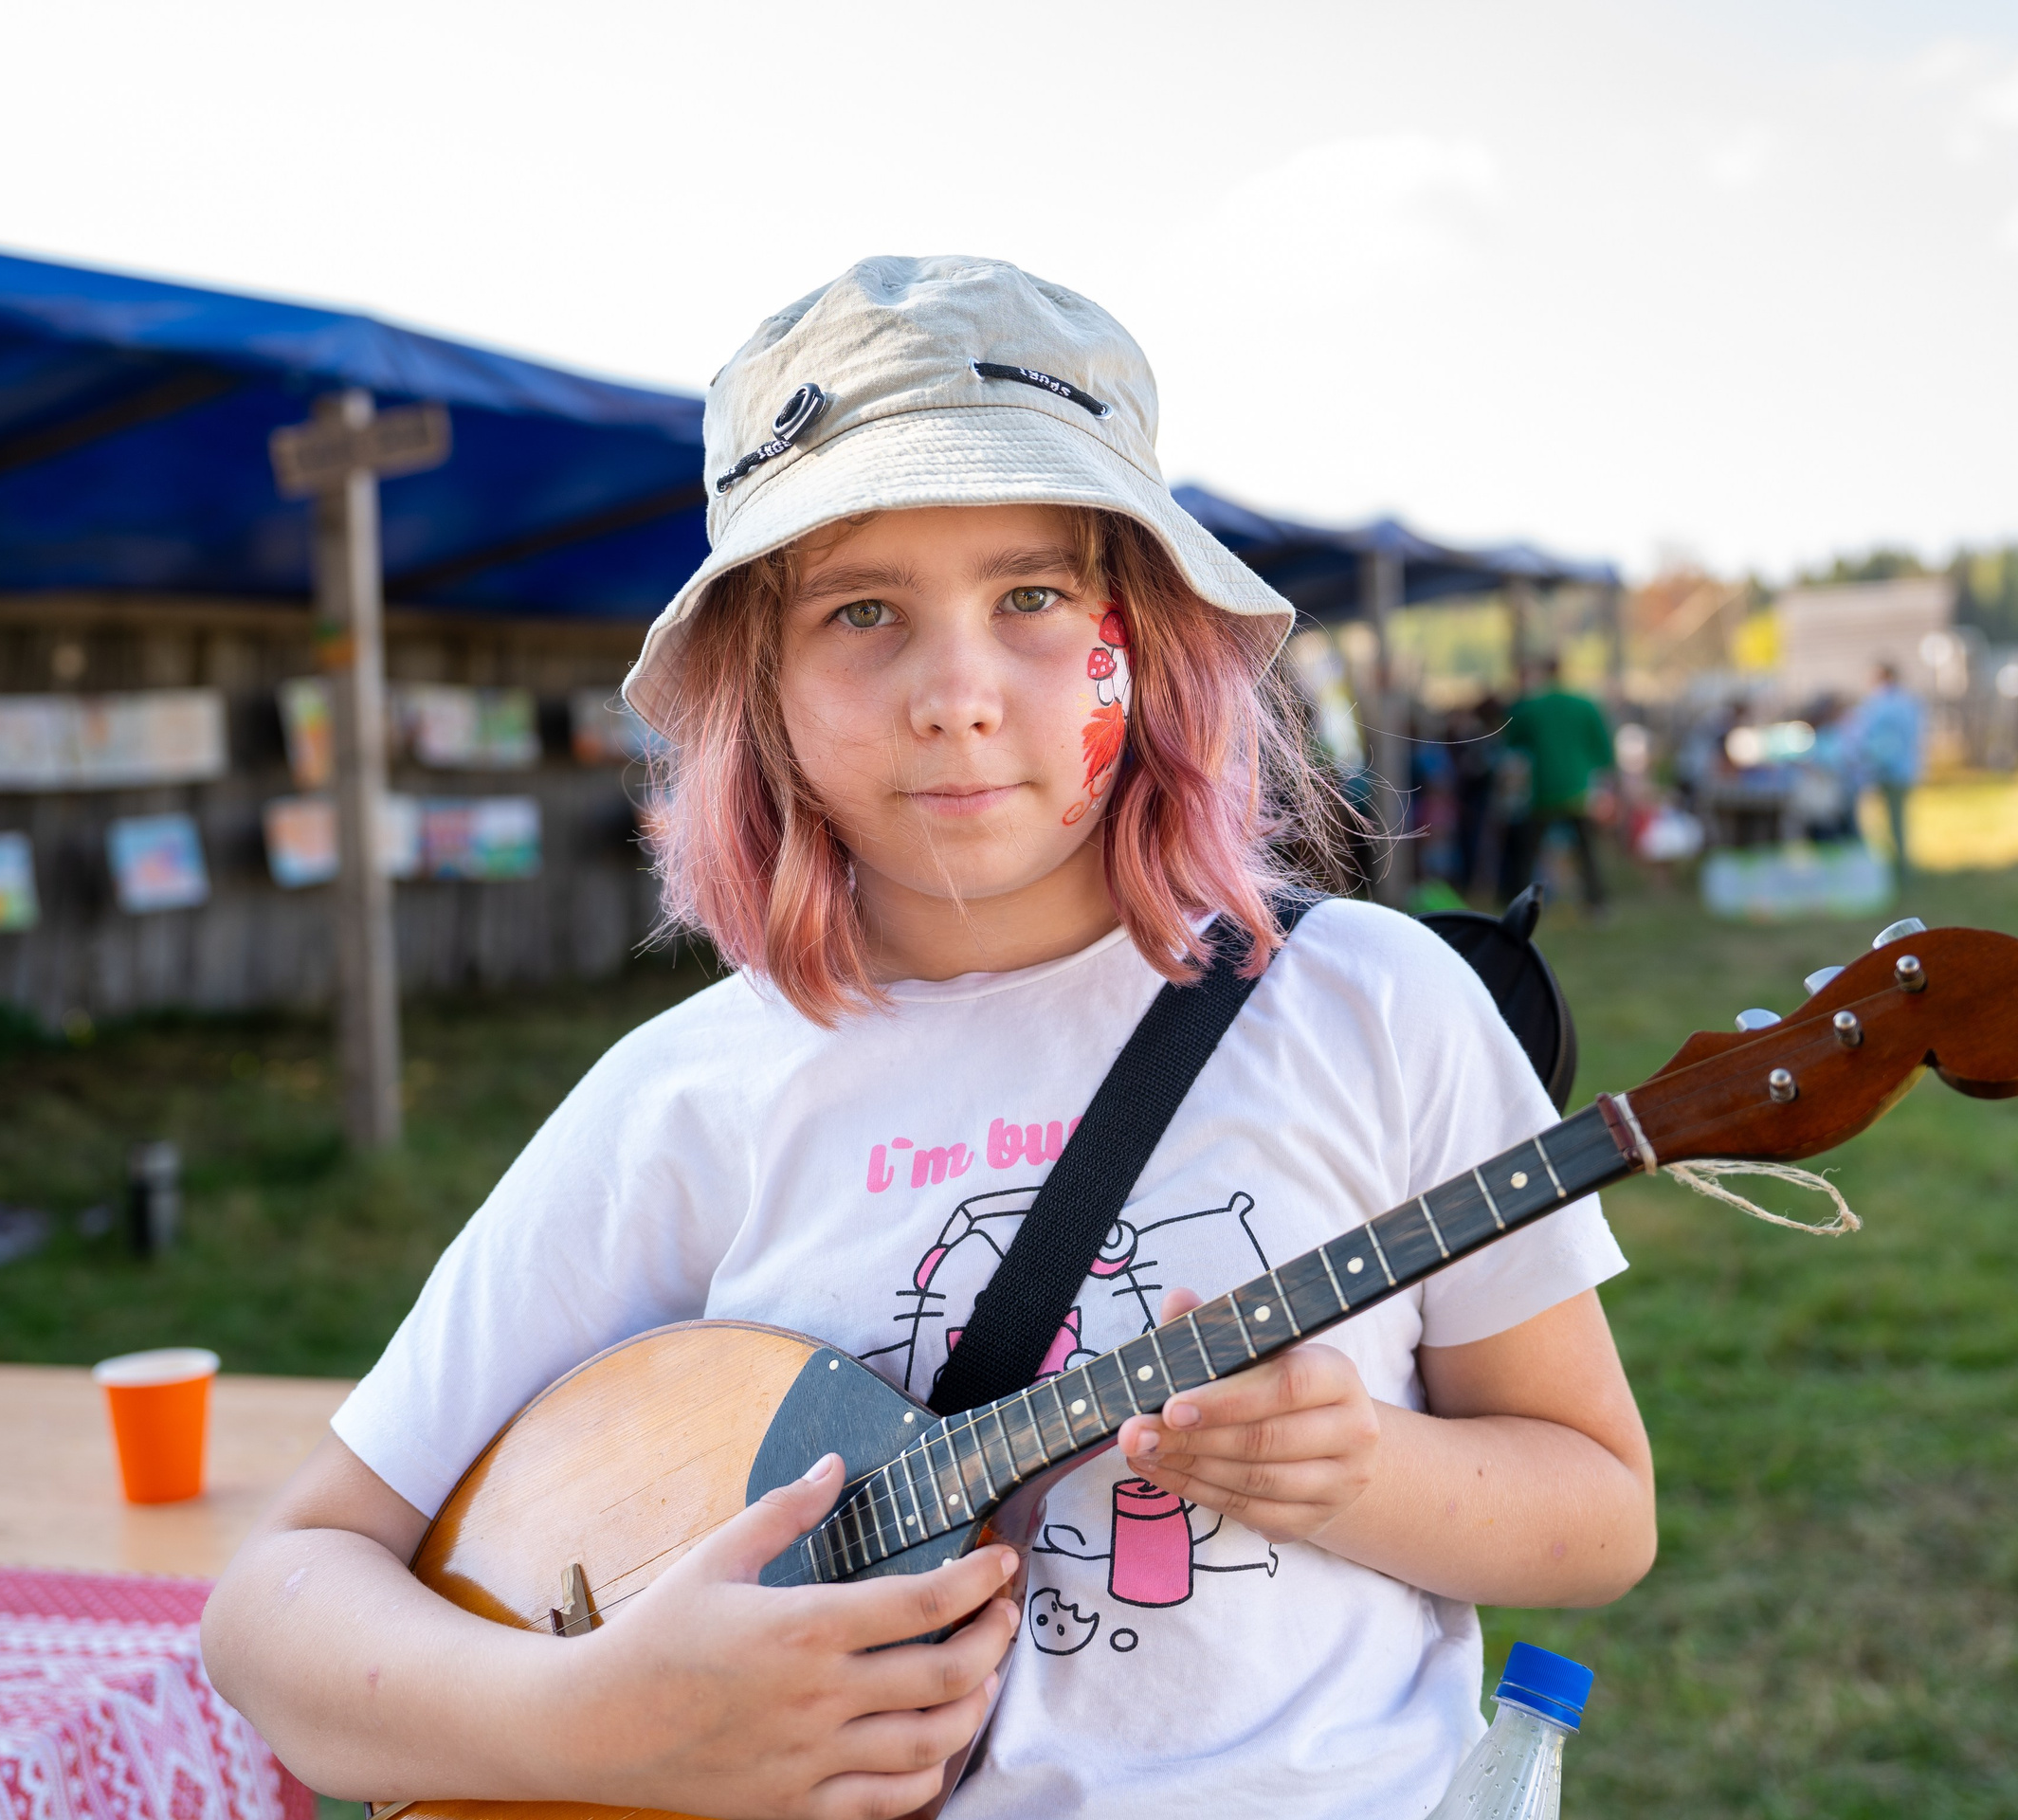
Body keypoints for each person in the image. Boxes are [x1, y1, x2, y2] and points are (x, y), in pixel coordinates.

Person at [201, 257, 1654, 1820]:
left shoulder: (1376, 1006)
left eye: (1032, 599)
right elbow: (274, 1609)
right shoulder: (687, 1100)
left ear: (1146, 640)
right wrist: (598, 1721)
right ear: (759, 685)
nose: (955, 696)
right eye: (863, 612)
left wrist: (1368, 1473)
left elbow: (1601, 1512)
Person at [1498, 657, 1616, 911]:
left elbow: (1512, 740)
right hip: (1578, 789)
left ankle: (1521, 904)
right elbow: (1603, 750)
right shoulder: (1584, 704)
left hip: (1542, 790)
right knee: (1585, 850)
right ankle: (1596, 903)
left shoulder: (1531, 707)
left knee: (1528, 852)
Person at [1841, 661, 1926, 881]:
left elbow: (1865, 736)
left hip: (1884, 770)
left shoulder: (1878, 704)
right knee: (1896, 821)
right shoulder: (1908, 702)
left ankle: (1891, 870)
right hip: (1904, 769)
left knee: (1882, 824)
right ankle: (1898, 867)